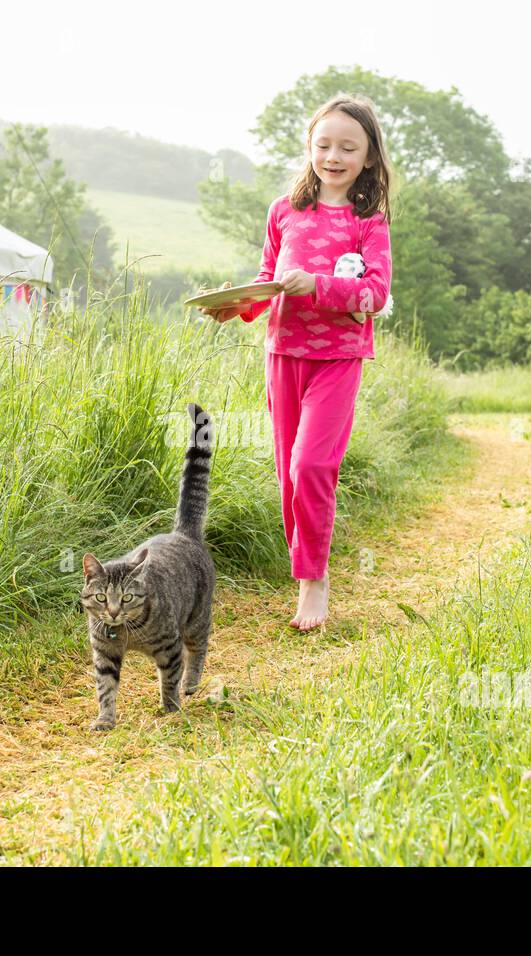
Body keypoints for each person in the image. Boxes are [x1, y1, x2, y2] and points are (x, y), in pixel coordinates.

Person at [200, 93, 394, 630]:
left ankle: (314, 579)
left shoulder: (368, 222)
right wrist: (236, 304)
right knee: (288, 472)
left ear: (370, 158)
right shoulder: (284, 211)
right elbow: (269, 280)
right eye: (324, 144)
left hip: (338, 359)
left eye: (348, 147)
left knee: (312, 465)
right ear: (309, 147)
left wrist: (319, 286)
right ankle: (306, 569)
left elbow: (375, 295)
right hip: (283, 354)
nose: (334, 155)